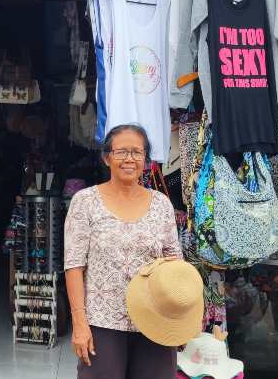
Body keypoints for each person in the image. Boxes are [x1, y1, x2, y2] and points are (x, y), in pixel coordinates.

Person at [64, 123, 183, 379]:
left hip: (155, 320)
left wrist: (181, 320)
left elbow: (175, 265)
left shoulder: (161, 204)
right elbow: (74, 265)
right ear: (107, 157)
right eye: (121, 152)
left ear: (145, 159)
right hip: (102, 322)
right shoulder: (85, 202)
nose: (129, 159)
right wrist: (79, 324)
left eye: (137, 152)